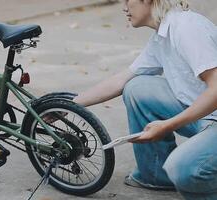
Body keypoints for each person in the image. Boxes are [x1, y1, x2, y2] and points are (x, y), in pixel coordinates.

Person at [73, 0, 217, 199]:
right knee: (137, 87)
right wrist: (69, 106)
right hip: (205, 115)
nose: (124, 7)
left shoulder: (187, 28)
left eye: (127, 0)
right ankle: (155, 176)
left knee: (183, 169)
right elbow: (121, 80)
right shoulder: (162, 35)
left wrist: (167, 125)